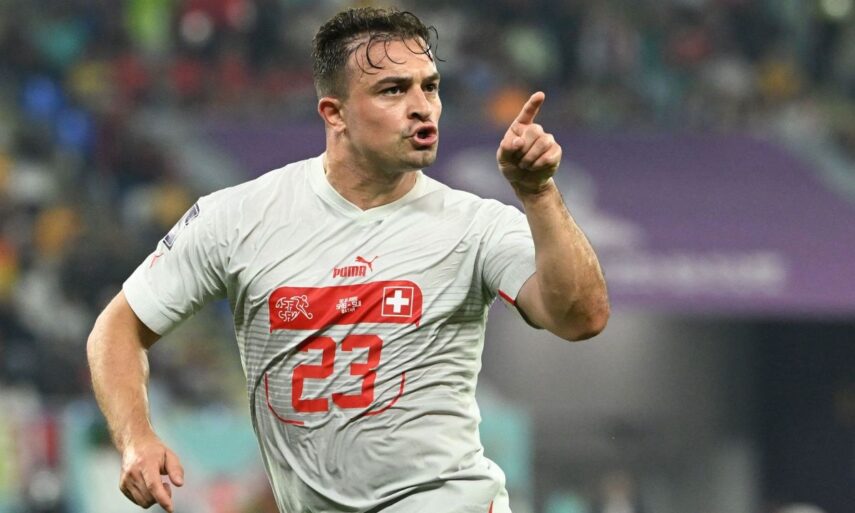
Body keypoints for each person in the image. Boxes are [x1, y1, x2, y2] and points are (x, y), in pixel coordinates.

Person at [87, 7, 609, 513]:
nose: (422, 107)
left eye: (429, 86)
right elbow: (117, 329)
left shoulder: (475, 225)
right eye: (393, 90)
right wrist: (136, 438)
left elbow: (582, 317)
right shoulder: (238, 218)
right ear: (334, 113)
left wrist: (538, 193)